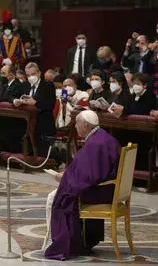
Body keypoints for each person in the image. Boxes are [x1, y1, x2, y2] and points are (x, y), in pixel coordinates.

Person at [44, 110, 121, 260]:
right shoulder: (103, 137)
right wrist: (69, 175)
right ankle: (82, 241)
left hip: (101, 192)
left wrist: (64, 178)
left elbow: (87, 176)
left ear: (85, 125)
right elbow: (89, 170)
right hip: (109, 188)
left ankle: (59, 244)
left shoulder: (95, 144)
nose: (76, 127)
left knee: (55, 198)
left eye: (77, 124)